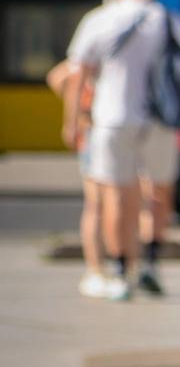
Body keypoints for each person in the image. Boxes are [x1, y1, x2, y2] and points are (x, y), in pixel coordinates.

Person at [62, 0, 180, 300]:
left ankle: (120, 269)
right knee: (159, 191)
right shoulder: (167, 18)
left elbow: (77, 74)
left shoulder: (100, 18)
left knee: (115, 195)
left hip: (112, 118)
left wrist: (73, 120)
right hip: (161, 119)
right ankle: (150, 261)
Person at [47, 59, 113, 298]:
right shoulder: (90, 54)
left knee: (112, 203)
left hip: (110, 131)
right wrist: (78, 112)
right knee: (97, 203)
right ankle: (96, 269)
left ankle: (110, 267)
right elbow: (57, 77)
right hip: (94, 132)